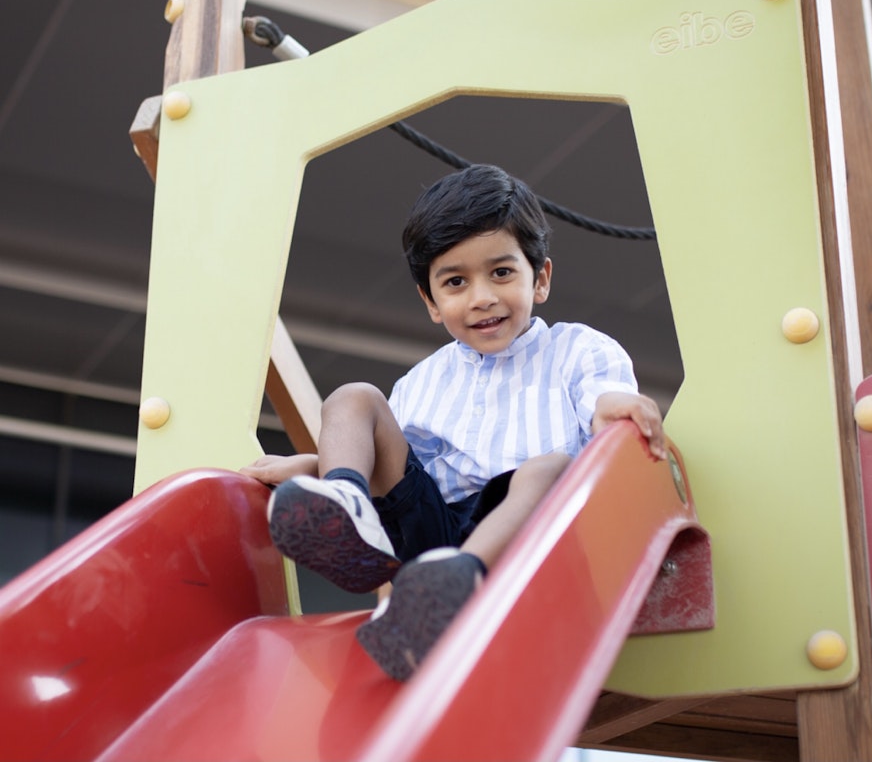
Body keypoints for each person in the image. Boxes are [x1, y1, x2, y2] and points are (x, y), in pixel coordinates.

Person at [240, 164, 666, 680]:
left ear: (542, 278)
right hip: (432, 528)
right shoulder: (422, 382)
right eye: (456, 282)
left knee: (550, 466)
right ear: (432, 302)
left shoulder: (578, 349)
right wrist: (314, 466)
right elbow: (398, 465)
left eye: (502, 273)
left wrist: (612, 407)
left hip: (528, 541)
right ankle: (347, 507)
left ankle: (458, 583)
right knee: (354, 397)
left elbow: (604, 398)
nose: (481, 296)